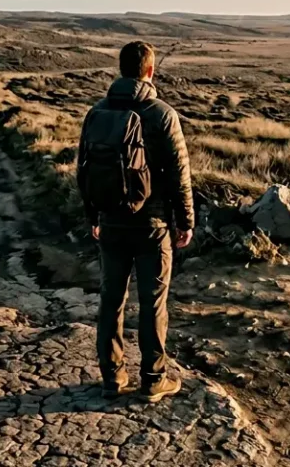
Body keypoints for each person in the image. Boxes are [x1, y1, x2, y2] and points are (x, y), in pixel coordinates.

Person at [77, 40, 194, 403]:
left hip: (111, 223)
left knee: (111, 300)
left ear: (120, 69)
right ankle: (152, 379)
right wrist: (185, 220)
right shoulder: (162, 114)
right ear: (150, 71)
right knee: (152, 303)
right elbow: (179, 173)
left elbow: (82, 169)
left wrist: (93, 215)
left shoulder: (97, 112)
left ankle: (112, 378)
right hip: (152, 225)